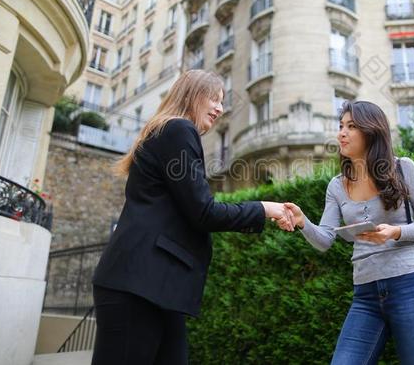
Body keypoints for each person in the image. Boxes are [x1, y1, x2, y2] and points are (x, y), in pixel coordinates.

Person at [91, 70, 295, 365]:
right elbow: (203, 211)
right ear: (191, 95)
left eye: (222, 101)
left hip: (153, 285)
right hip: (138, 285)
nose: (220, 108)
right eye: (213, 98)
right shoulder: (177, 130)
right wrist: (264, 208)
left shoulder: (166, 133)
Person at [279, 100, 414, 364]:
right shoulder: (336, 186)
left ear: (371, 131)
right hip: (365, 294)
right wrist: (302, 221)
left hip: (411, 286)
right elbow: (324, 240)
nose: (341, 133)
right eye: (341, 126)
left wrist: (395, 232)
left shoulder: (403, 168)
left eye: (351, 126)